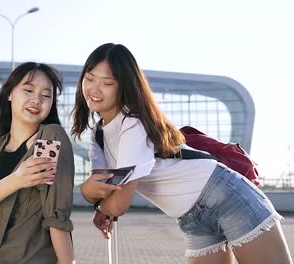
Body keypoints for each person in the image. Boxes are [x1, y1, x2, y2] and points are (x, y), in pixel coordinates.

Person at [72, 43, 292, 264]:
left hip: (225, 195)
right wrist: (95, 197)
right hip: (192, 217)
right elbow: (102, 190)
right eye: (90, 79)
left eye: (107, 83)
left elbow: (117, 203)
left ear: (125, 87)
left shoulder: (132, 124)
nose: (94, 89)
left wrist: (94, 199)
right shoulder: (98, 134)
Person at [0, 62, 75, 264]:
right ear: (10, 94)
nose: (36, 100)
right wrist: (17, 179)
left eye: (46, 95)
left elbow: (57, 216)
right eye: (28, 90)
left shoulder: (50, 139)